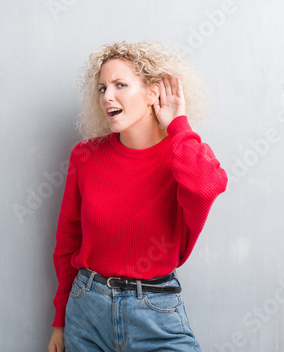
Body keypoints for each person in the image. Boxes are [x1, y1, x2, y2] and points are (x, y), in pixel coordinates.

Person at [48, 41, 228, 352]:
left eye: (120, 85)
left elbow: (206, 186)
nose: (107, 96)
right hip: (86, 311)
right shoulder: (85, 155)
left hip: (155, 313)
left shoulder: (180, 155)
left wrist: (178, 126)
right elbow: (67, 242)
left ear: (152, 93)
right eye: (102, 88)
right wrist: (60, 322)